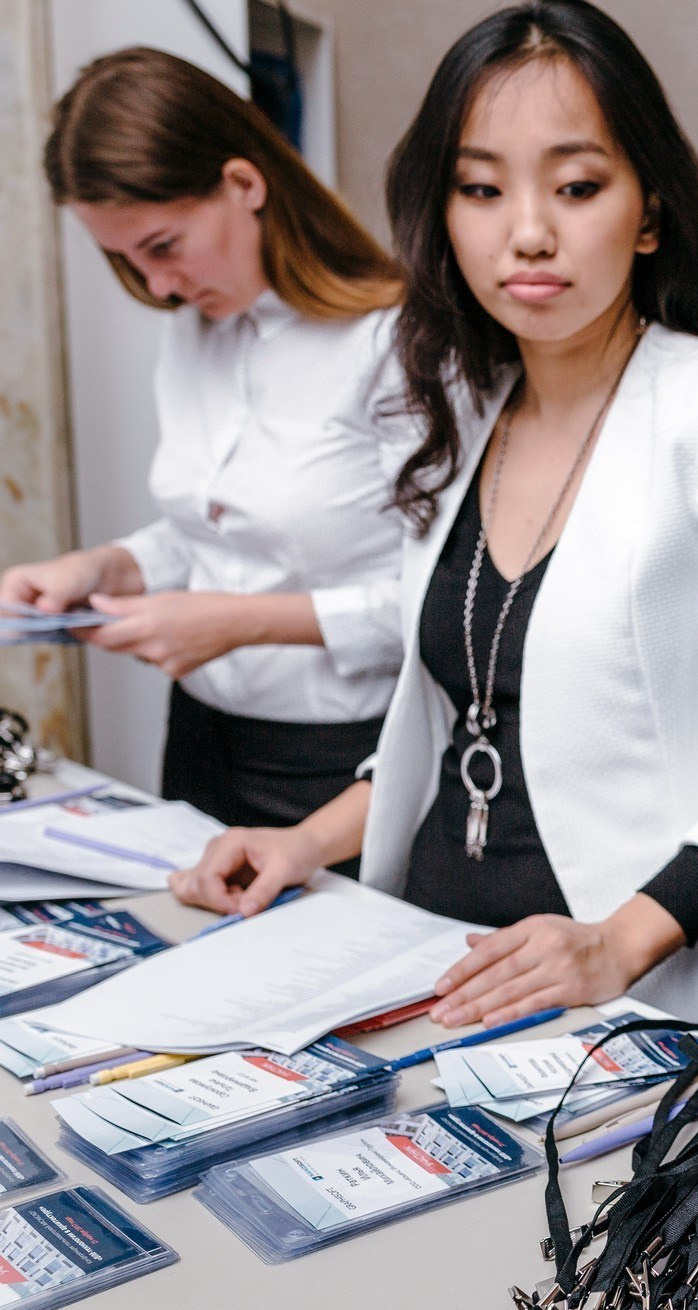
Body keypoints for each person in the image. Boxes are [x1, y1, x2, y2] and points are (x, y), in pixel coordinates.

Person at [172, 0, 698, 1026]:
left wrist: (618, 943)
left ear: (650, 210)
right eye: (481, 189)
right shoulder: (458, 417)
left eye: (577, 187)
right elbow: (453, 719)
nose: (527, 232)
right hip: (427, 956)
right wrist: (303, 842)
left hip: (649, 988)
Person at [6, 48, 406, 856]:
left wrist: (235, 623)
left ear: (245, 185)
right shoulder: (194, 333)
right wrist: (104, 569)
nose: (155, 286)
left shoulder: (395, 345)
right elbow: (212, 538)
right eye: (125, 259)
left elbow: (453, 608)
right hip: (199, 740)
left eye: (163, 245)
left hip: (339, 764)